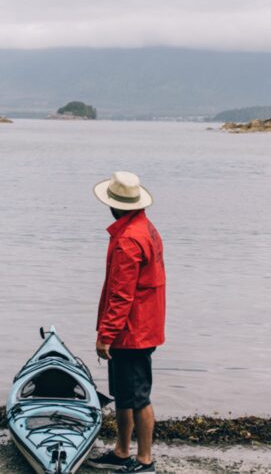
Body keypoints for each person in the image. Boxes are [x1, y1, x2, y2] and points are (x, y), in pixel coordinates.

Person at [87, 171, 166, 473]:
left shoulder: (129, 241)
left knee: (139, 397)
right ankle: (121, 451)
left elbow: (122, 295)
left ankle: (144, 460)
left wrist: (106, 335)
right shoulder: (145, 227)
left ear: (115, 205)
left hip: (134, 331)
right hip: (142, 325)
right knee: (123, 392)